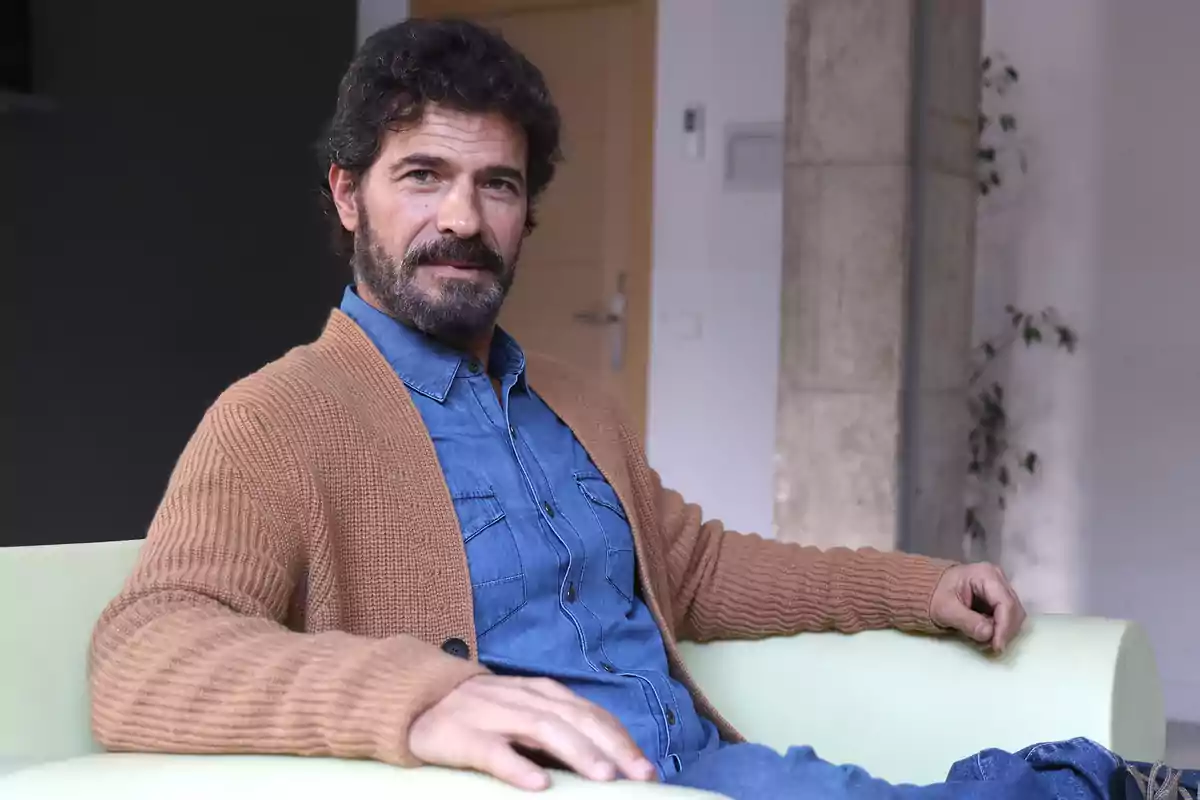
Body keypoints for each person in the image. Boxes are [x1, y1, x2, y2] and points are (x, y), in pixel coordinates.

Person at [87, 18, 1187, 800]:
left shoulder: (570, 395)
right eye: (422, 175)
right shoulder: (278, 414)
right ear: (347, 192)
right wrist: (418, 694)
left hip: (714, 767)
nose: (462, 218)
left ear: (527, 213)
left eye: (499, 184)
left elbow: (697, 568)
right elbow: (143, 651)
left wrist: (918, 585)